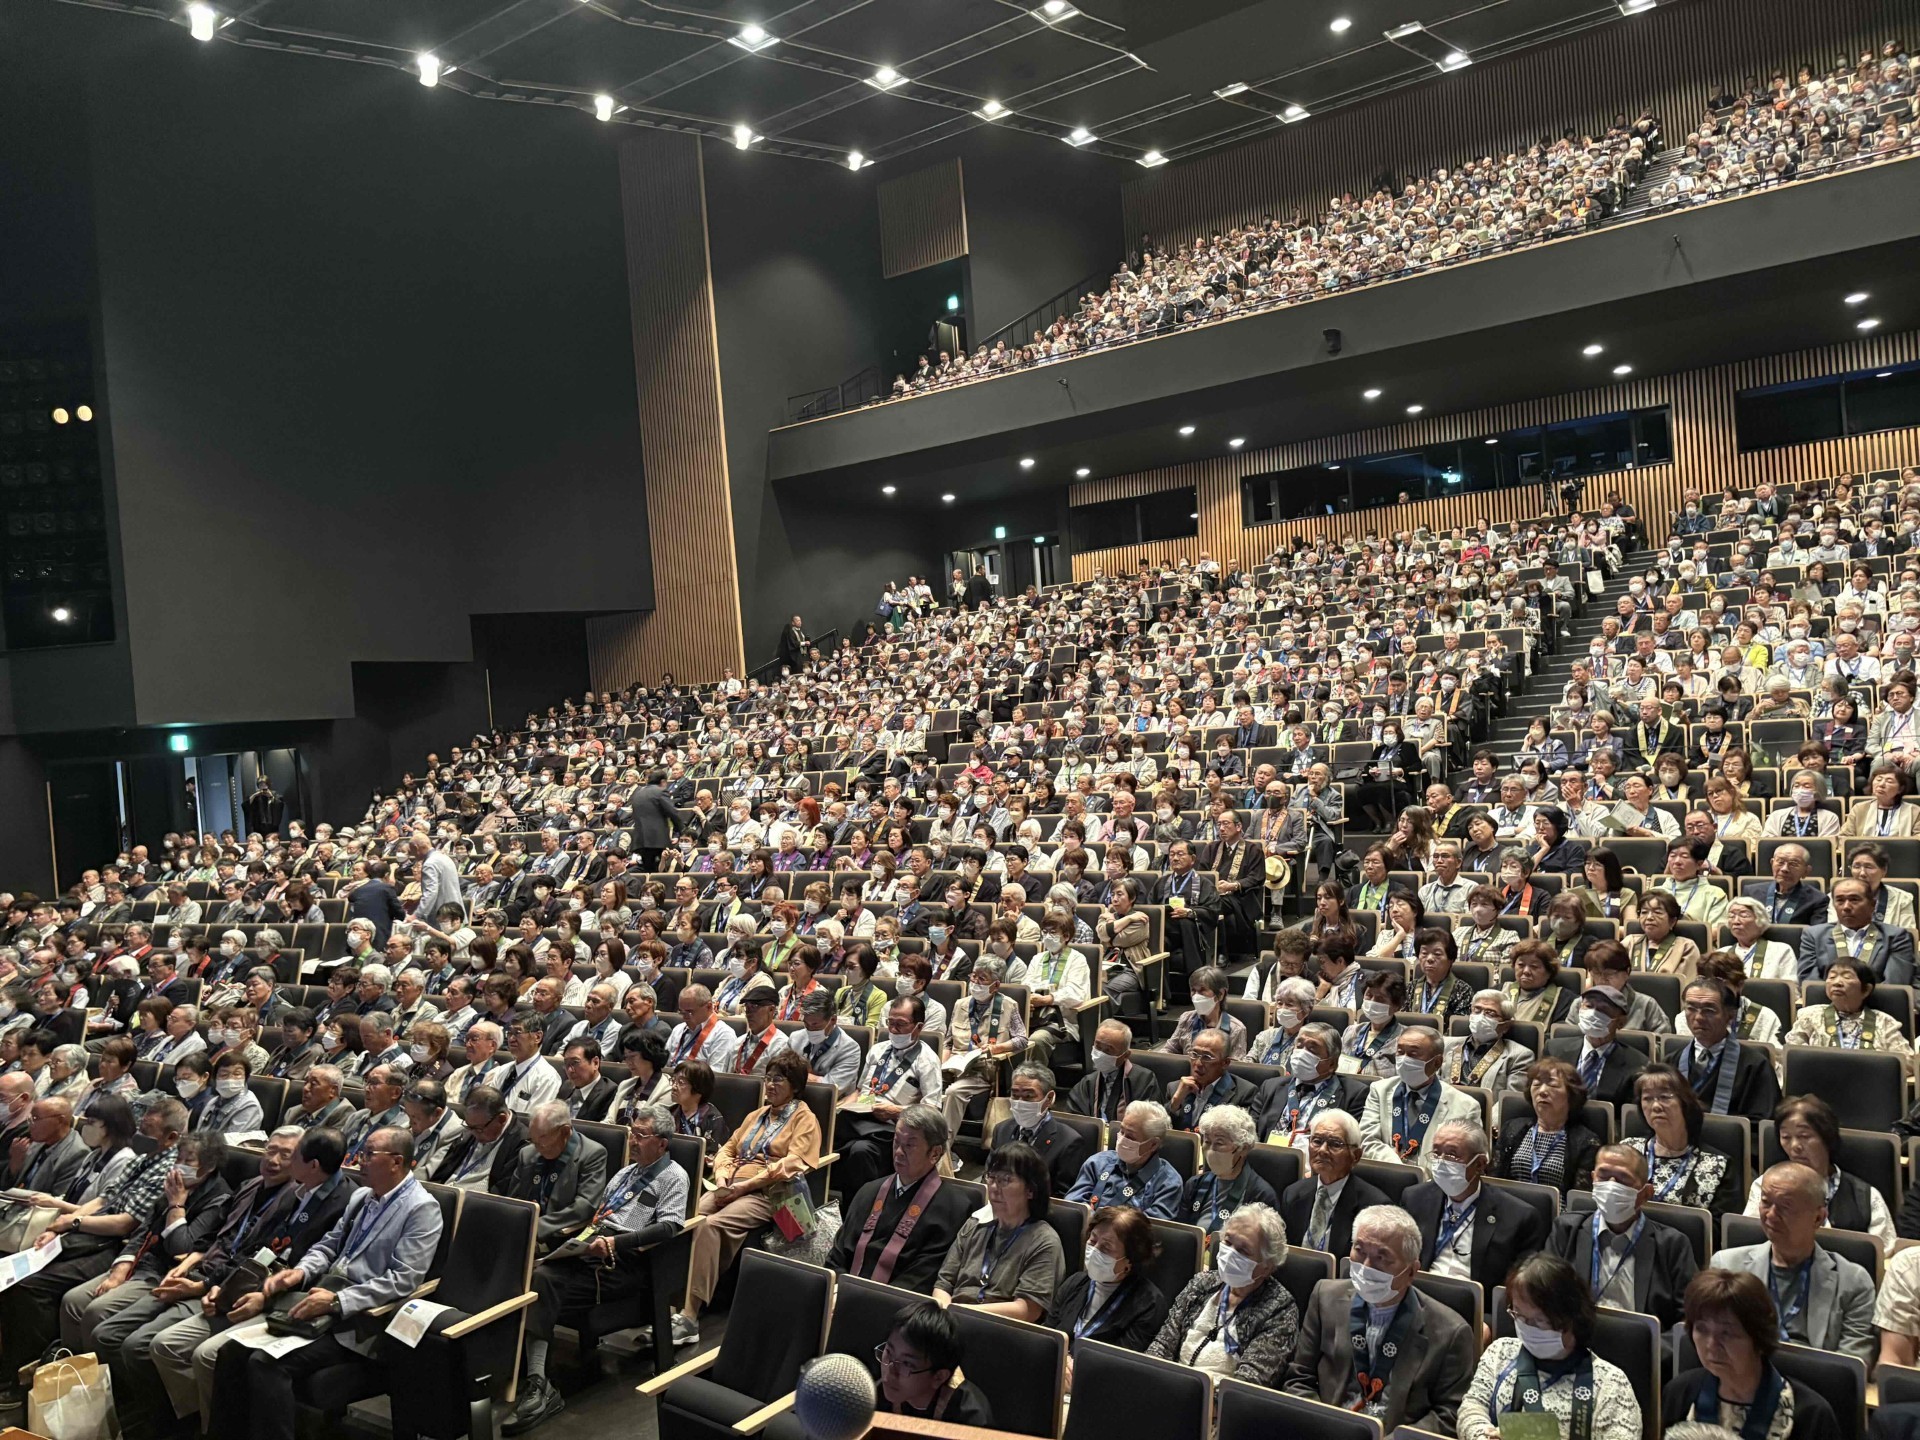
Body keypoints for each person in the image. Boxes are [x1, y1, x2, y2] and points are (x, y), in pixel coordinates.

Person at [206, 1126, 444, 1440]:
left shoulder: (421, 1208)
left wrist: (336, 1302)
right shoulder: (362, 1196)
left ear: (396, 1162)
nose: (359, 1160)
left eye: (369, 1154)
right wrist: (300, 1272)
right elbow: (328, 1246)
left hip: (359, 1320)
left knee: (265, 1364)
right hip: (319, 1300)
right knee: (231, 1352)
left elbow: (404, 1279)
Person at [122, 1125, 354, 1432]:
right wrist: (216, 1285)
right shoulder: (290, 1191)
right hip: (238, 1281)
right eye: (270, 1150)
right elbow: (257, 1252)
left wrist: (222, 1288)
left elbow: (305, 1267)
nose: (275, 1160)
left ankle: (208, 1429)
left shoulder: (343, 1201)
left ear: (311, 1165)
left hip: (286, 1299)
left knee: (199, 1353)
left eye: (290, 1155)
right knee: (157, 1344)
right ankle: (187, 1424)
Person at [503, 1102, 688, 1434]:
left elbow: (670, 1227)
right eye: (632, 1133)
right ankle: (529, 1373)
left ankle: (538, 1384)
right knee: (528, 1274)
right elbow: (597, 1217)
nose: (633, 1140)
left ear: (662, 1143)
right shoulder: (624, 1174)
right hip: (592, 1248)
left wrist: (616, 1243)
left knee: (542, 1281)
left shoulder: (674, 1176)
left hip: (624, 1261)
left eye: (641, 1135)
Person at [1283, 1203, 1476, 1431]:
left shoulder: (1451, 1332)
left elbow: (1449, 1414)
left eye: (1382, 1257)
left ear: (1411, 1271)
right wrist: (1324, 1428)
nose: (1366, 1266)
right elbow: (1299, 1378)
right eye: (1359, 1250)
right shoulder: (1325, 1297)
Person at [676, 1049, 821, 1343]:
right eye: (768, 1078)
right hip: (730, 1184)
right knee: (689, 1218)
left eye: (778, 1080)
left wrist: (744, 1186)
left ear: (795, 1086)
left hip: (769, 1194)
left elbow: (792, 1163)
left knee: (711, 1226)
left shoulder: (805, 1119)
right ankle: (670, 1301)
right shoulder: (757, 1115)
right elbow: (728, 1149)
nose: (770, 1085)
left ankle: (690, 1317)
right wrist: (722, 1177)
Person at [1707, 1161, 1876, 1366]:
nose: (1771, 1215)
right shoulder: (1727, 1266)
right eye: (1766, 1202)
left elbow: (1852, 1364)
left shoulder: (1853, 1282)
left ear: (1818, 1218)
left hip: (1815, 1381)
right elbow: (1711, 1343)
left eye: (1785, 1207)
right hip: (1743, 1375)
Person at [1456, 1253, 1642, 1440]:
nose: (1527, 1327)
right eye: (1518, 1315)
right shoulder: (1500, 1352)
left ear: (1569, 1318)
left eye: (1539, 1320)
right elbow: (1471, 1409)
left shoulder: (1611, 1384)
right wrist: (1484, 1437)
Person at [1666, 1268, 1844, 1440]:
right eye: (1701, 1329)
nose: (1711, 1345)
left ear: (1758, 1337)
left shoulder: (1811, 1415)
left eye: (1726, 1333)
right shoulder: (1680, 1392)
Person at [1546, 1142, 1697, 1325]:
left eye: (1623, 1179)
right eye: (1603, 1176)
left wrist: (1656, 1343)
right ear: (1593, 1180)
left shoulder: (1672, 1245)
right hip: (1576, 1338)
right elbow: (1544, 1295)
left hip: (1645, 1342)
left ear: (1646, 1193)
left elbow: (1689, 1318)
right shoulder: (1566, 1230)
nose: (1611, 1186)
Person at [1146, 1204, 1297, 1384]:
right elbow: (1163, 1344)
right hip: (1167, 1386)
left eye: (1243, 1251)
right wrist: (1152, 1380)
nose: (1230, 1253)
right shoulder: (1203, 1282)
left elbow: (1246, 1385)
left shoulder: (1280, 1309)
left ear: (1266, 1266)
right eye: (1228, 1242)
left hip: (1217, 1399)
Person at [827, 1107, 973, 1292]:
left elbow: (925, 1275)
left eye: (909, 1145)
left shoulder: (954, 1207)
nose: (898, 1152)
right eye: (896, 1142)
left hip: (898, 1304)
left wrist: (868, 1299)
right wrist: (838, 1290)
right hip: (842, 1295)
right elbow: (838, 1255)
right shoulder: (868, 1191)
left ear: (935, 1153)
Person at [1404, 1120, 1547, 1290]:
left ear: (1479, 1164)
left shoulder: (1519, 1217)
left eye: (1452, 1155)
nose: (1441, 1162)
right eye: (1436, 1153)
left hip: (1477, 1302)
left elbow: (1518, 1287)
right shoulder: (1415, 1198)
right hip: (1419, 1293)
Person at [934, 1141, 1065, 1321]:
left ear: (1030, 1190)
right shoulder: (975, 1224)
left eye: (1005, 1180)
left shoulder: (1044, 1241)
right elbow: (944, 1283)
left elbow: (1027, 1310)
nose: (994, 1188)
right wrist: (944, 1314)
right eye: (992, 1177)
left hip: (1000, 1328)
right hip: (951, 1319)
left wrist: (960, 1314)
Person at [1743, 1095, 1895, 1249]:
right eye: (1786, 1137)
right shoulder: (1765, 1187)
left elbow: (1883, 1254)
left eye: (1804, 1136)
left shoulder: (1865, 1197)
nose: (1795, 1146)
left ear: (1827, 1137)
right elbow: (1748, 1242)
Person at [833, 996, 946, 1194]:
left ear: (918, 1027)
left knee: (860, 1151)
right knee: (828, 1131)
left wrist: (895, 1111)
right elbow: (859, 1091)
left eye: (900, 1024)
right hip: (861, 1117)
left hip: (894, 1129)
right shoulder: (877, 1050)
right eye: (890, 1023)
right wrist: (840, 1106)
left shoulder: (927, 1060)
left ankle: (864, 1206)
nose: (893, 1030)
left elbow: (932, 1110)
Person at [1042, 1203, 1165, 1356]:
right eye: (1093, 1241)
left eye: (1106, 1248)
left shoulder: (1148, 1304)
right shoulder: (1074, 1282)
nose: (1094, 1251)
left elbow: (1121, 1362)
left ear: (1129, 1261)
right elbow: (1046, 1337)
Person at [1358, 1027, 1480, 1177]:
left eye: (1413, 1054)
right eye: (1400, 1052)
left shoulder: (1466, 1107)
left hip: (1433, 1182)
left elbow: (1462, 1160)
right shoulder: (1379, 1090)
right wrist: (1398, 1167)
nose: (1404, 1060)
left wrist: (1421, 1177)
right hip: (1385, 1176)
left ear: (1437, 1062)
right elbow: (1366, 1139)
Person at [1279, 1109, 1387, 1257]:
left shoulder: (1374, 1208)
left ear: (1356, 1156)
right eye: (1317, 1141)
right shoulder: (1293, 1193)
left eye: (1335, 1144)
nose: (1322, 1150)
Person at [873, 1300, 994, 1426]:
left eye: (907, 1364)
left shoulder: (972, 1417)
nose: (890, 1372)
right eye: (889, 1352)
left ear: (938, 1377)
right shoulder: (875, 1395)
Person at [1678, 976, 1782, 1120]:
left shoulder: (1755, 1066)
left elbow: (1764, 1121)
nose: (1698, 1017)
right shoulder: (1672, 1062)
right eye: (1691, 1008)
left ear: (1730, 1015)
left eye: (1709, 1010)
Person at [1785, 954, 1913, 1070]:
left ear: (1866, 989)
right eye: (1832, 977)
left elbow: (1907, 1063)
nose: (1837, 982)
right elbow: (1792, 1055)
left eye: (1847, 977)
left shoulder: (1885, 1022)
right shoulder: (1809, 1016)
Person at [1494, 1057, 1600, 1196]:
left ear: (1571, 1094)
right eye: (1536, 1085)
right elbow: (1494, 1181)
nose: (1542, 1091)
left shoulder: (1586, 1142)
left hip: (1559, 1209)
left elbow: (1579, 1199)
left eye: (1553, 1085)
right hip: (1510, 1206)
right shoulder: (1512, 1128)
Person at [987, 1063, 1089, 1198]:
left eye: (1028, 1096)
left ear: (1049, 1099)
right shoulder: (1002, 1130)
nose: (1020, 1102)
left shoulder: (1069, 1142)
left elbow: (1062, 1198)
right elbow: (989, 1175)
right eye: (1015, 1095)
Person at [1065, 1100, 1181, 1218]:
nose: (1121, 1139)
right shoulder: (1098, 1162)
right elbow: (1073, 1207)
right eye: (1121, 1131)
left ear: (1153, 1144)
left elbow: (1149, 1226)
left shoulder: (1168, 1182)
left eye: (1130, 1136)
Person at [1179, 1105, 1277, 1245]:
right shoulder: (1194, 1184)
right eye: (1207, 1142)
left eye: (1219, 1143)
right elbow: (1181, 1234)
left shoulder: (1261, 1195)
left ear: (1243, 1148)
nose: (1211, 1150)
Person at [1536, 982, 1647, 1104]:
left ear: (1621, 1022)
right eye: (1589, 1006)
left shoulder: (1637, 1064)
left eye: (1603, 1010)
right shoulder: (1554, 1049)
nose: (1593, 1014)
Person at [1798, 876, 1917, 983]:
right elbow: (1809, 981)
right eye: (1840, 900)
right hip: (1826, 1000)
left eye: (1854, 900)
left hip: (1878, 1000)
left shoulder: (1895, 936)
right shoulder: (1814, 935)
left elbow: (1895, 983)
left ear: (1872, 904)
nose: (1846, 907)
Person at [1066, 1019, 1163, 1125]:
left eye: (1108, 1050)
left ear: (1126, 1055)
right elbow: (1074, 1119)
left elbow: (1151, 1123)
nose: (1100, 1054)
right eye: (1098, 1046)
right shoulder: (1088, 1082)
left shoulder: (1144, 1080)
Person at [1442, 990, 1535, 1093]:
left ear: (1506, 1025)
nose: (1480, 1018)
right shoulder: (1445, 1044)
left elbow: (1509, 1099)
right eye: (1477, 1010)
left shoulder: (1519, 1056)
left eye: (1490, 1013)